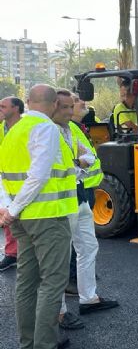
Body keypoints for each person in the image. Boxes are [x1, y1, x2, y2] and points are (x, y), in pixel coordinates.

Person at [0, 84, 78, 349]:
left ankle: (28, 343)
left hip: (22, 220)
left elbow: (3, 176)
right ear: (55, 103)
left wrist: (9, 209)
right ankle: (44, 344)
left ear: (28, 102)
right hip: (47, 217)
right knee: (53, 282)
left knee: (26, 281)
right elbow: (39, 175)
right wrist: (12, 209)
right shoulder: (45, 128)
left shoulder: (12, 131)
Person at [53, 90, 118, 331]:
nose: (70, 111)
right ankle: (59, 312)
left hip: (79, 196)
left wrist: (80, 162)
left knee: (88, 247)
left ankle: (89, 298)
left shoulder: (70, 129)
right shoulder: (48, 131)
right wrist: (79, 163)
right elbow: (63, 165)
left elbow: (87, 156)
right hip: (60, 201)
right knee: (58, 259)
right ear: (52, 106)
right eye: (65, 107)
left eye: (72, 106)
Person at [0, 96, 24, 272]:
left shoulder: (28, 127)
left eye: (3, 106)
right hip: (6, 179)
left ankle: (24, 254)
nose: (0, 108)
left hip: (26, 180)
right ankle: (11, 254)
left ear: (16, 108)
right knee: (8, 215)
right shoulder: (2, 127)